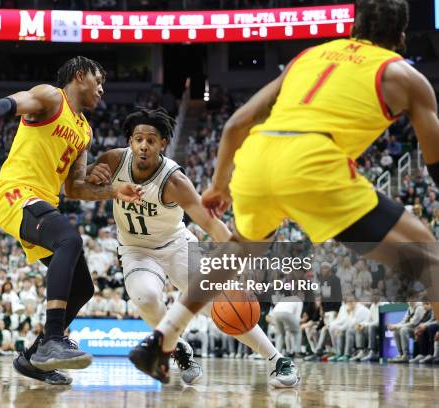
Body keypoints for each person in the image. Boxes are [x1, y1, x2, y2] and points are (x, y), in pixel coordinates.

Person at [130, 0, 439, 383]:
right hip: (312, 162)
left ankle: (163, 337)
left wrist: (219, 184)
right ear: (402, 36)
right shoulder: (404, 76)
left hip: (257, 161)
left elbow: (236, 124)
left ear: (354, 26)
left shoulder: (309, 56)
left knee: (239, 249)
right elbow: (434, 159)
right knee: (429, 258)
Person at [87, 108, 298, 387]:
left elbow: (211, 225)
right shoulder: (113, 161)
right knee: (146, 298)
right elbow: (81, 185)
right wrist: (91, 172)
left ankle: (277, 360)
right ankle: (177, 348)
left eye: (151, 140)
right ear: (130, 141)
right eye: (138, 139)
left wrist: (243, 264)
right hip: (135, 249)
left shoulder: (174, 181)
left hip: (176, 246)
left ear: (163, 144)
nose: (143, 146)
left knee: (222, 305)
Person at [0, 56, 144, 385]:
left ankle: (33, 359)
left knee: (84, 287)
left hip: (42, 204)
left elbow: (74, 188)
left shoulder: (85, 132)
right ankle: (52, 340)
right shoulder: (52, 97)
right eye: (98, 80)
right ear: (80, 76)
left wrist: (113, 190)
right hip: (15, 193)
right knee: (70, 240)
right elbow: (13, 101)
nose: (102, 89)